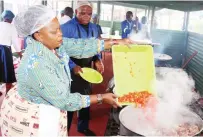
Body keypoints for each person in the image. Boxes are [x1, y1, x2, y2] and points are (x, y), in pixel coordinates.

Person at [0, 5, 132, 137]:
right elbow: (65, 100)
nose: (60, 34)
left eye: (59, 29)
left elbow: (79, 45)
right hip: (34, 118)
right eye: (54, 31)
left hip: (51, 105)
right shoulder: (36, 65)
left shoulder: (51, 44)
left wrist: (115, 42)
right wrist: (101, 98)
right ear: (38, 35)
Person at [61, 1, 105, 135]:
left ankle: (82, 126)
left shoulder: (94, 27)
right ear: (75, 12)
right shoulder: (65, 28)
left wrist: (97, 59)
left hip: (87, 67)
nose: (86, 16)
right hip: (70, 68)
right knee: (69, 101)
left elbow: (95, 45)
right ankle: (65, 130)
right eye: (82, 13)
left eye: (89, 14)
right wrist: (72, 66)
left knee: (86, 96)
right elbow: (59, 50)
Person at [0, 10, 22, 96]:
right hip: (5, 51)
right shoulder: (12, 27)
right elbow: (15, 42)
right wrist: (20, 53)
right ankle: (7, 92)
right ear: (12, 19)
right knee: (7, 71)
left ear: (3, 17)